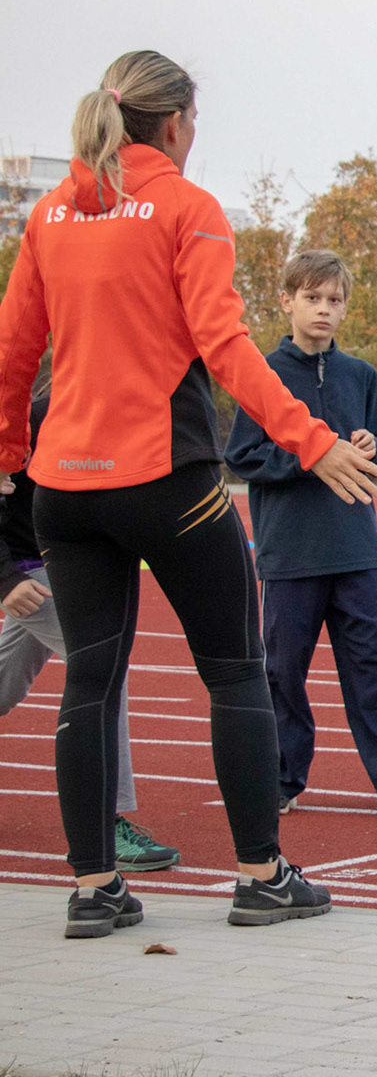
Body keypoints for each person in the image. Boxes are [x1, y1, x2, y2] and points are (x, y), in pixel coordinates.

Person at [0, 50, 377, 937]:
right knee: (236, 672)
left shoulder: (51, 213)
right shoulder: (187, 207)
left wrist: (13, 461)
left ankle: (94, 889)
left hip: (65, 490)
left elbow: (14, 355)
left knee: (89, 681)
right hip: (166, 481)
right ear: (174, 124)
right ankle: (260, 876)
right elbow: (227, 347)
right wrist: (313, 439)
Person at [224, 251, 377, 822]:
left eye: (334, 300)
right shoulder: (263, 374)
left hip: (357, 552)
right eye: (312, 298)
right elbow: (242, 455)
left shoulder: (361, 376)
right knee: (282, 672)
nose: (323, 309)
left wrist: (371, 449)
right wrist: (310, 457)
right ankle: (281, 779)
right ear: (287, 302)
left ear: (345, 309)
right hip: (290, 554)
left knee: (375, 667)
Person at [0, 365, 177, 872]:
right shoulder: (32, 420)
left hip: (72, 568)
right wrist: (5, 579)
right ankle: (105, 822)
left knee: (4, 683)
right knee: (104, 669)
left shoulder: (121, 418)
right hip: (33, 573)